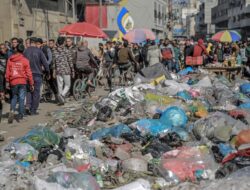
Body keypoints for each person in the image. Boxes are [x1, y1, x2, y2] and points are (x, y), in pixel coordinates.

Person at [5, 44, 34, 123]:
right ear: (23, 51)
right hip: (22, 81)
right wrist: (31, 83)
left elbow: (7, 71)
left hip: (13, 81)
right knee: (21, 98)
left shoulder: (10, 59)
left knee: (14, 97)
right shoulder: (25, 60)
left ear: (16, 50)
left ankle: (12, 110)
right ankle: (21, 115)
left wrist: (7, 81)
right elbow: (29, 73)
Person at [24, 37, 50, 115]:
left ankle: (28, 105)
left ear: (30, 42)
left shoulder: (25, 51)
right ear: (35, 43)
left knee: (29, 91)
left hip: (28, 75)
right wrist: (48, 72)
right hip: (37, 74)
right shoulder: (39, 51)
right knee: (36, 92)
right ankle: (33, 110)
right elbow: (45, 63)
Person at [53, 37, 75, 105]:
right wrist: (73, 70)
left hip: (58, 71)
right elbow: (70, 61)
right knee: (68, 85)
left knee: (60, 85)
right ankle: (62, 95)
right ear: (63, 42)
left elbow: (54, 62)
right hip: (66, 70)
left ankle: (61, 100)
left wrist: (54, 70)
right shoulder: (67, 50)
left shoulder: (54, 51)